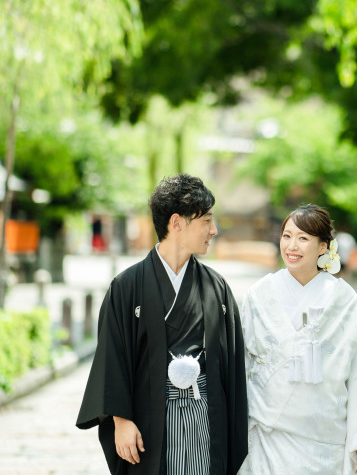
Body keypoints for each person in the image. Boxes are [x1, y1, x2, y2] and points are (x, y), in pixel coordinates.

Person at [76, 174, 248, 475]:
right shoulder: (127, 286)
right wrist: (121, 420)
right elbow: (112, 358)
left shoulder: (216, 287)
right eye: (206, 220)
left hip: (205, 419)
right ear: (177, 223)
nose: (214, 229)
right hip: (148, 420)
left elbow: (232, 368)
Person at [238, 204, 357, 475]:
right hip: (268, 434)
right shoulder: (259, 295)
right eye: (286, 236)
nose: (292, 246)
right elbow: (242, 364)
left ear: (323, 247)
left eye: (303, 238)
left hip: (325, 439)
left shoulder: (344, 299)